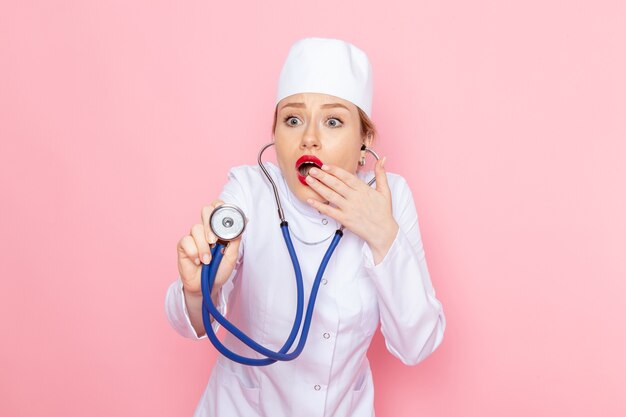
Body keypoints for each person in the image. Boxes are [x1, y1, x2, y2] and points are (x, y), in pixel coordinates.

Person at [165, 37, 446, 417]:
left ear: (365, 141)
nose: (308, 138)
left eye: (333, 121)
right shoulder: (250, 188)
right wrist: (200, 289)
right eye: (293, 119)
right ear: (275, 132)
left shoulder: (390, 196)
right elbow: (194, 324)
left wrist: (381, 233)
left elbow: (417, 345)